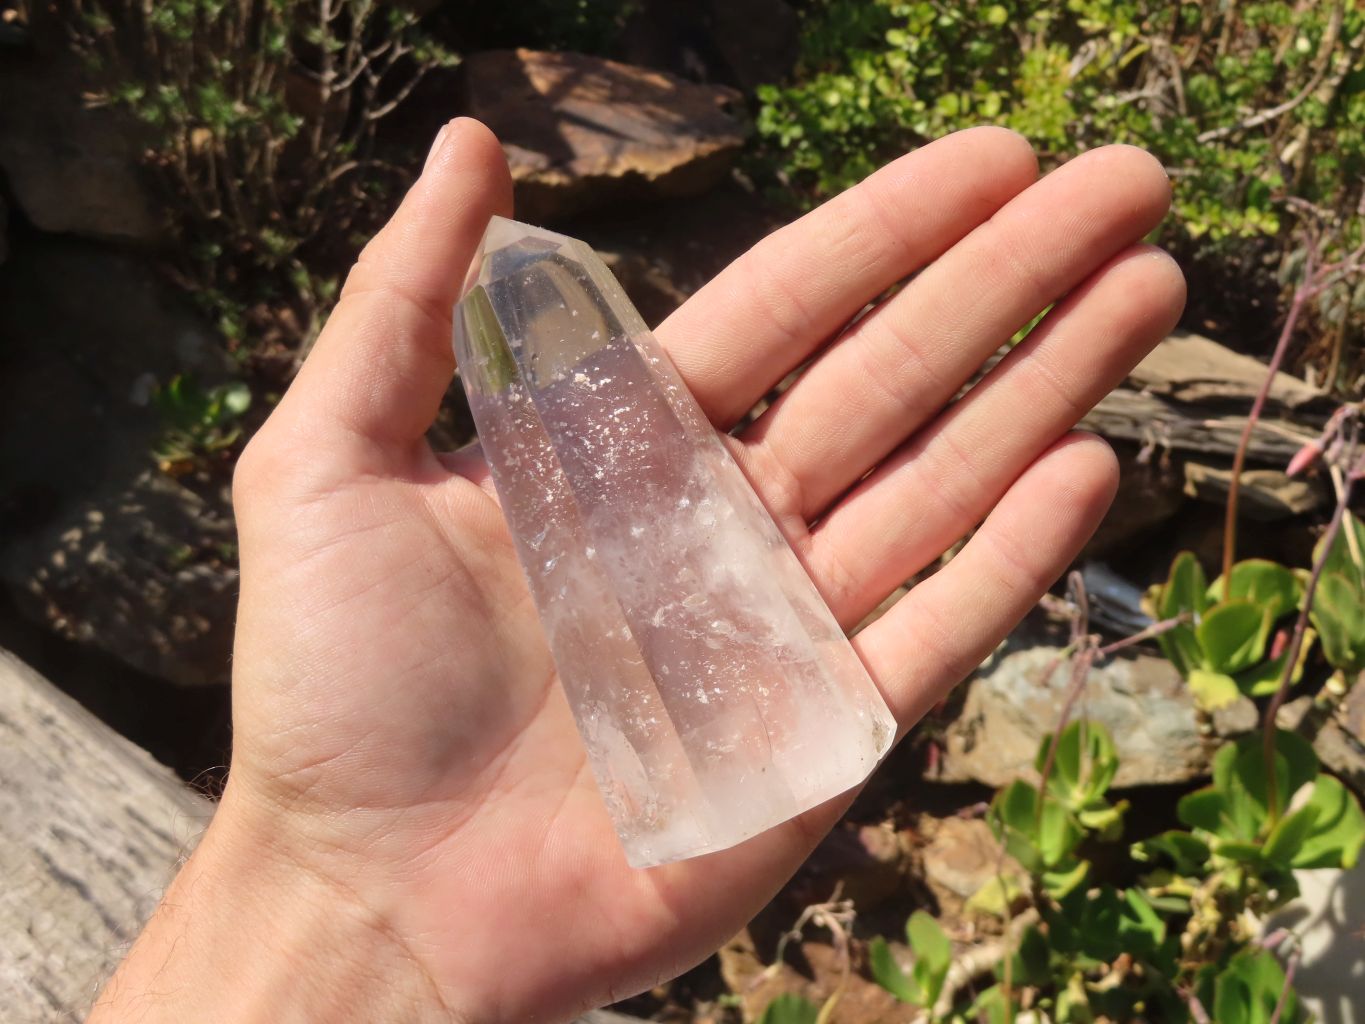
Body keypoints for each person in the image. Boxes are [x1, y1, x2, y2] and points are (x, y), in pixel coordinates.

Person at [86, 119, 1184, 1023]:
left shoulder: (527, 294)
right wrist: (339, 882)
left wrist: (331, 901)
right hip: (711, 774)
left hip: (755, 754)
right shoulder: (527, 297)